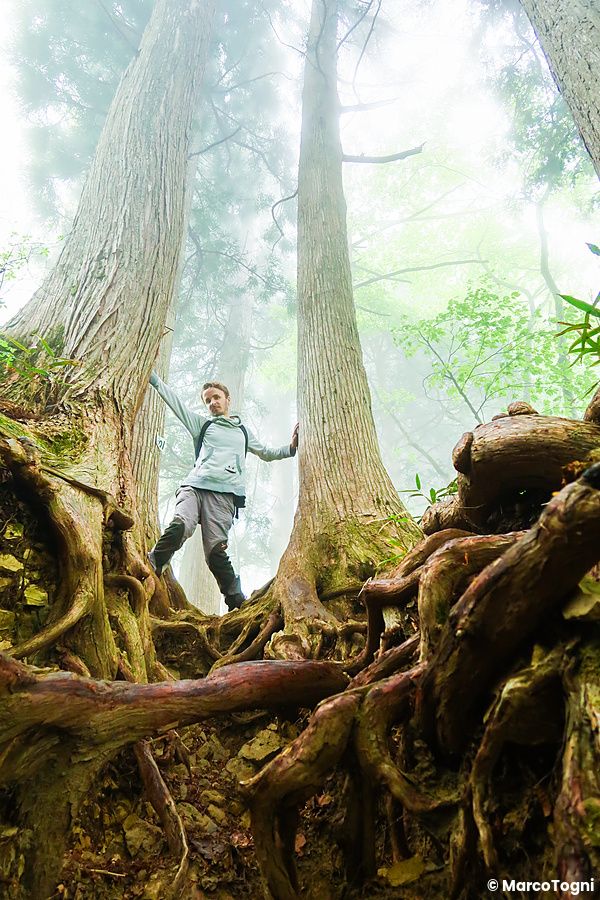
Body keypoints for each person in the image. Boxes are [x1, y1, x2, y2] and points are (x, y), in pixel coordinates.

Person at [147, 371, 298, 611]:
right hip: (195, 486)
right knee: (180, 526)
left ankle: (236, 602)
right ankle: (152, 565)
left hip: (225, 495)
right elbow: (176, 403)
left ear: (228, 399)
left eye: (216, 397)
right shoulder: (203, 425)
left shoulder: (243, 432)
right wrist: (154, 379)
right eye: (207, 400)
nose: (212, 403)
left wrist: (290, 448)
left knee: (215, 552)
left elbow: (267, 453)